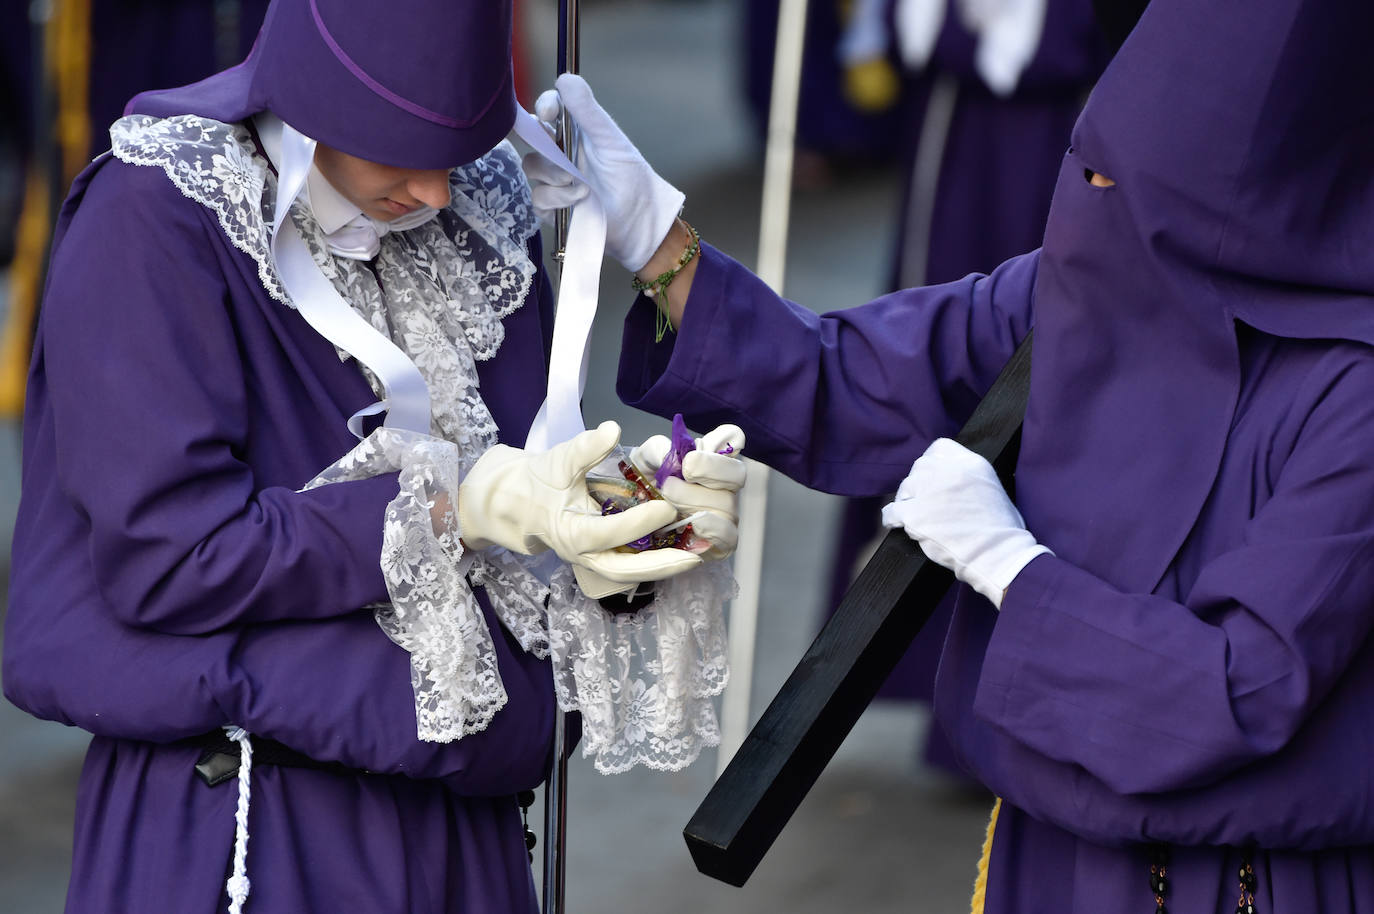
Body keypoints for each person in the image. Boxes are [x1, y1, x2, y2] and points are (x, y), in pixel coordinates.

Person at [524, 0, 1374, 909]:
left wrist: (1012, 569)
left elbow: (1245, 689)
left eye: (1133, 181)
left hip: (1243, 881)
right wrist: (658, 241)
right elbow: (845, 379)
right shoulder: (1099, 274)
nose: (1092, 196)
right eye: (1094, 167)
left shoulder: (1351, 392)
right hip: (1042, 852)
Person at [3, 0, 743, 911]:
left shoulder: (476, 200)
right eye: (401, 149)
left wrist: (619, 522)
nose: (435, 193)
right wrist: (456, 506)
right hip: (252, 812)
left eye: (454, 153)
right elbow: (174, 555)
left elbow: (523, 495)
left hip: (466, 823)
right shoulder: (158, 211)